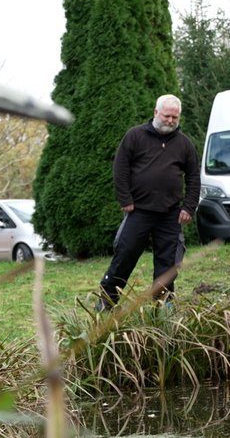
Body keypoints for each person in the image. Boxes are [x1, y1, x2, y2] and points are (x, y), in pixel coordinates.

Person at [96, 94, 201, 311]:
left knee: (167, 264)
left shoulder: (184, 144)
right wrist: (125, 198)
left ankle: (163, 308)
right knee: (124, 256)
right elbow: (120, 168)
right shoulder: (135, 136)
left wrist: (189, 207)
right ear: (156, 112)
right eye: (167, 115)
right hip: (139, 212)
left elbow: (193, 177)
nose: (171, 120)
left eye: (175, 117)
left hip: (170, 214)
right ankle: (106, 302)